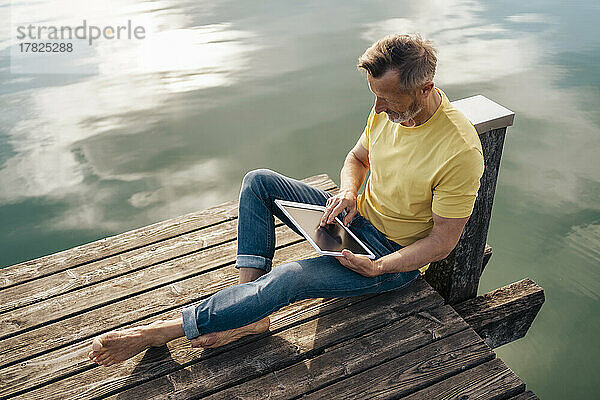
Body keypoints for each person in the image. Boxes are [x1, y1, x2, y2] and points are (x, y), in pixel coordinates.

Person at [88, 34, 484, 367]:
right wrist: (348, 191)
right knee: (258, 181)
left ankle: (163, 331)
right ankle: (252, 314)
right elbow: (358, 158)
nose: (378, 108)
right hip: (354, 222)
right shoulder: (389, 107)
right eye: (375, 97)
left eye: (388, 100)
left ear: (425, 89)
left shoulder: (459, 150)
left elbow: (441, 243)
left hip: (389, 258)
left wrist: (378, 266)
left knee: (292, 277)